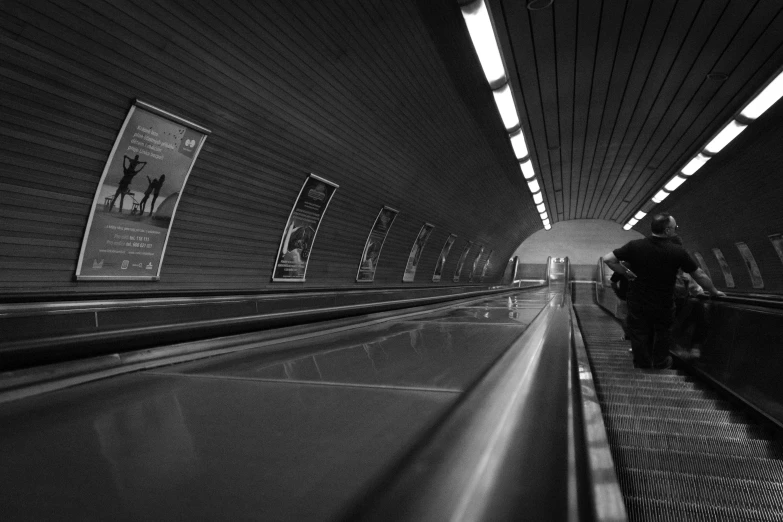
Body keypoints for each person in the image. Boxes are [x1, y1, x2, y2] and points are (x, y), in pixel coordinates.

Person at [602, 213, 725, 369]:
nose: (675, 230)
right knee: (662, 332)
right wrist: (713, 291)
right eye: (675, 228)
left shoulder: (635, 245)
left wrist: (626, 272)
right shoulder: (677, 251)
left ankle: (642, 364)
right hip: (663, 301)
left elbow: (608, 259)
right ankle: (660, 363)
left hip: (638, 299)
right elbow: (698, 274)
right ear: (667, 230)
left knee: (639, 331)